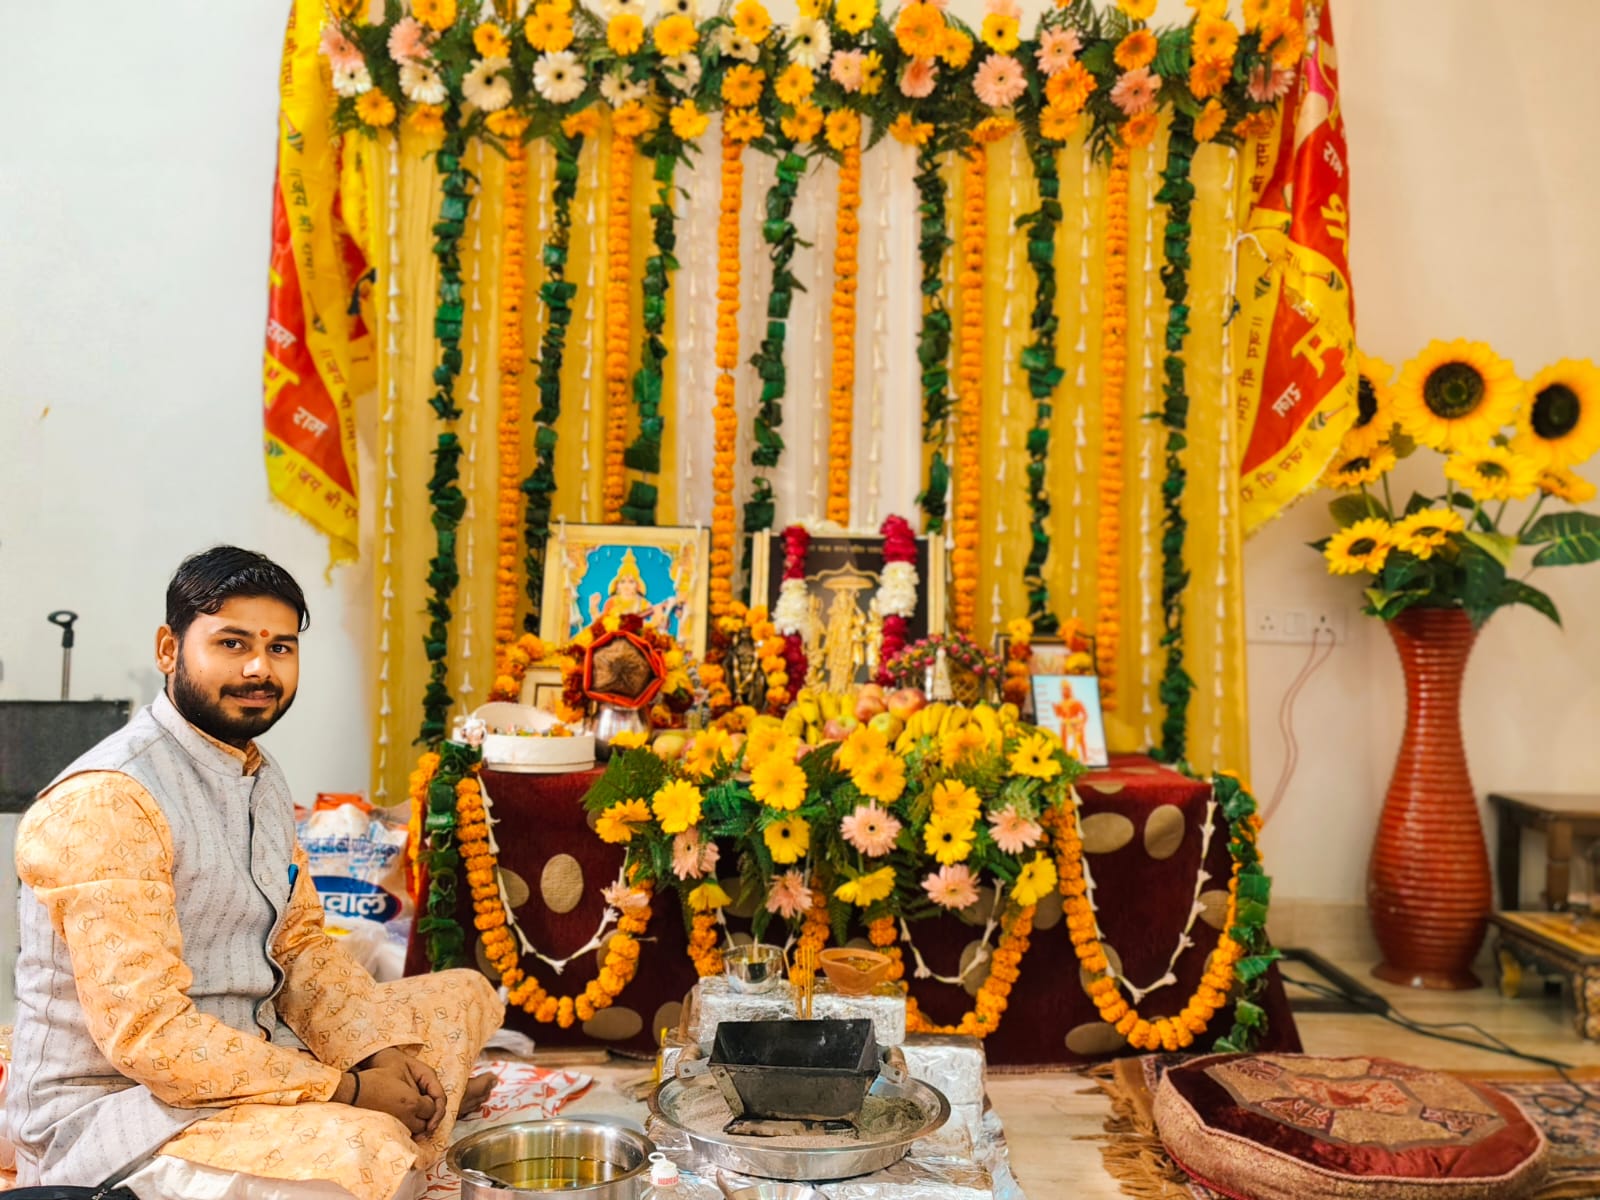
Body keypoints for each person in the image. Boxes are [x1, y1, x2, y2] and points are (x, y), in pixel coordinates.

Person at [9, 547, 503, 1200]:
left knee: (463, 994)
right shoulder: (111, 799)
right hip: (129, 1109)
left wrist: (377, 1056)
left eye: (280, 648)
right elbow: (150, 1039)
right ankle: (394, 1133)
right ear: (168, 648)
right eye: (232, 642)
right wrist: (352, 1090)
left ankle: (402, 1117)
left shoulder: (258, 773)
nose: (258, 669)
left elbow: (297, 946)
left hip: (256, 1044)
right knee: (369, 1154)